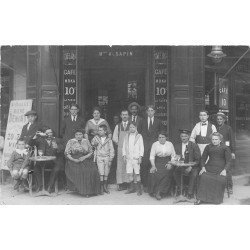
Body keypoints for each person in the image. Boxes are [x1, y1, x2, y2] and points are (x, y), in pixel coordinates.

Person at [195, 132, 232, 205]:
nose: (214, 141)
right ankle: (200, 198)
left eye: (216, 139)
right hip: (209, 167)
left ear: (220, 140)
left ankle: (215, 199)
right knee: (203, 176)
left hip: (221, 169)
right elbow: (203, 159)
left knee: (219, 179)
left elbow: (229, 161)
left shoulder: (225, 148)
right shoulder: (208, 147)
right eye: (213, 139)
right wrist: (203, 167)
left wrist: (225, 170)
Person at [65, 129, 100, 197]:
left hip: (85, 159)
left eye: (80, 134)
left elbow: (91, 152)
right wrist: (74, 160)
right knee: (82, 171)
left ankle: (92, 191)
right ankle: (83, 191)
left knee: (93, 170)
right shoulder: (71, 141)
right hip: (74, 160)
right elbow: (67, 153)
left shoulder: (86, 141)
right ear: (75, 135)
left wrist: (84, 157)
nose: (78, 136)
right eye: (77, 134)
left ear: (83, 135)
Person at [32, 127, 65, 193]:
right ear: (44, 134)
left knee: (57, 168)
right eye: (47, 133)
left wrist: (58, 147)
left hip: (53, 161)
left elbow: (63, 148)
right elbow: (30, 144)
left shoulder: (57, 140)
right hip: (42, 161)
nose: (49, 134)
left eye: (51, 132)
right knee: (35, 168)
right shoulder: (40, 140)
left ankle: (50, 186)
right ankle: (40, 186)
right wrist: (35, 136)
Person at [140, 105, 163, 192]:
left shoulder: (158, 121)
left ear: (154, 112)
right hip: (144, 146)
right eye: (148, 111)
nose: (150, 112)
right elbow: (138, 134)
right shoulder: (142, 121)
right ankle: (145, 185)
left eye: (152, 110)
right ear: (146, 112)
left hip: (154, 146)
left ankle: (153, 185)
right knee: (145, 165)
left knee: (153, 165)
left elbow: (161, 134)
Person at [173, 129, 201, 199]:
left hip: (192, 166)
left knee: (193, 174)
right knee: (175, 173)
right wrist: (176, 158)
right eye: (182, 136)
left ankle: (190, 192)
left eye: (185, 136)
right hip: (181, 165)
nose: (183, 138)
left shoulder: (194, 145)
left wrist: (191, 167)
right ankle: (182, 189)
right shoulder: (177, 145)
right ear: (180, 137)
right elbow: (175, 157)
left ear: (188, 137)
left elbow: (198, 159)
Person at [148, 131, 176, 200]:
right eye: (159, 137)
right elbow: (152, 156)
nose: (161, 139)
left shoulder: (170, 144)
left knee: (167, 172)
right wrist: (153, 166)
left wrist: (170, 163)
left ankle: (160, 192)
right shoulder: (155, 144)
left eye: (163, 137)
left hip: (167, 161)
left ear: (166, 137)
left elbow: (173, 156)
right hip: (158, 161)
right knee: (154, 172)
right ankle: (154, 191)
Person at [91, 124, 115, 194]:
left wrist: (111, 159)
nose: (99, 131)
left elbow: (112, 150)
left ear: (105, 131)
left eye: (101, 130)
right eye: (99, 130)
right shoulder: (96, 138)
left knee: (106, 172)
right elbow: (92, 144)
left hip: (107, 157)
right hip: (99, 157)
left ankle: (105, 186)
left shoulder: (109, 139)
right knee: (101, 172)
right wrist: (94, 143)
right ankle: (101, 187)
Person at [216, 112, 236, 194]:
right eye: (218, 119)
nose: (219, 120)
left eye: (221, 119)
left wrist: (233, 152)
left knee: (227, 169)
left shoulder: (228, 128)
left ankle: (230, 186)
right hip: (218, 150)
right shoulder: (215, 128)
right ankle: (220, 186)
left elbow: (232, 140)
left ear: (224, 120)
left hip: (227, 150)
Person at [122, 122, 144, 196]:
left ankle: (139, 189)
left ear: (136, 127)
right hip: (129, 158)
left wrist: (140, 157)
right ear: (129, 128)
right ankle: (132, 188)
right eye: (130, 127)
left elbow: (142, 147)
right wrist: (124, 155)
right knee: (130, 173)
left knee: (137, 173)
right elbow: (124, 146)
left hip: (136, 158)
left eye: (133, 127)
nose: (132, 129)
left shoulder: (139, 136)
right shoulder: (126, 136)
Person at [112, 109, 130, 191]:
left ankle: (128, 183)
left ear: (128, 116)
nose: (124, 116)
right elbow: (114, 138)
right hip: (120, 148)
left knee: (129, 165)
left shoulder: (132, 125)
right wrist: (120, 144)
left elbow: (135, 136)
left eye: (126, 114)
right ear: (121, 116)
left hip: (130, 148)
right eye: (123, 115)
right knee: (120, 165)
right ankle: (121, 183)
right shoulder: (118, 126)